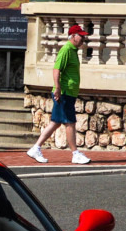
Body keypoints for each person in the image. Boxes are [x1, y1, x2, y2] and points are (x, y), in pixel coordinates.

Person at [26, 24, 91, 165]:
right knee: (70, 123)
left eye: (84, 36)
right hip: (65, 93)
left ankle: (35, 148)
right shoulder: (66, 49)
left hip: (68, 93)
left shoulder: (73, 50)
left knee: (55, 122)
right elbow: (56, 69)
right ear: (73, 36)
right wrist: (58, 89)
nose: (83, 39)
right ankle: (75, 153)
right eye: (81, 36)